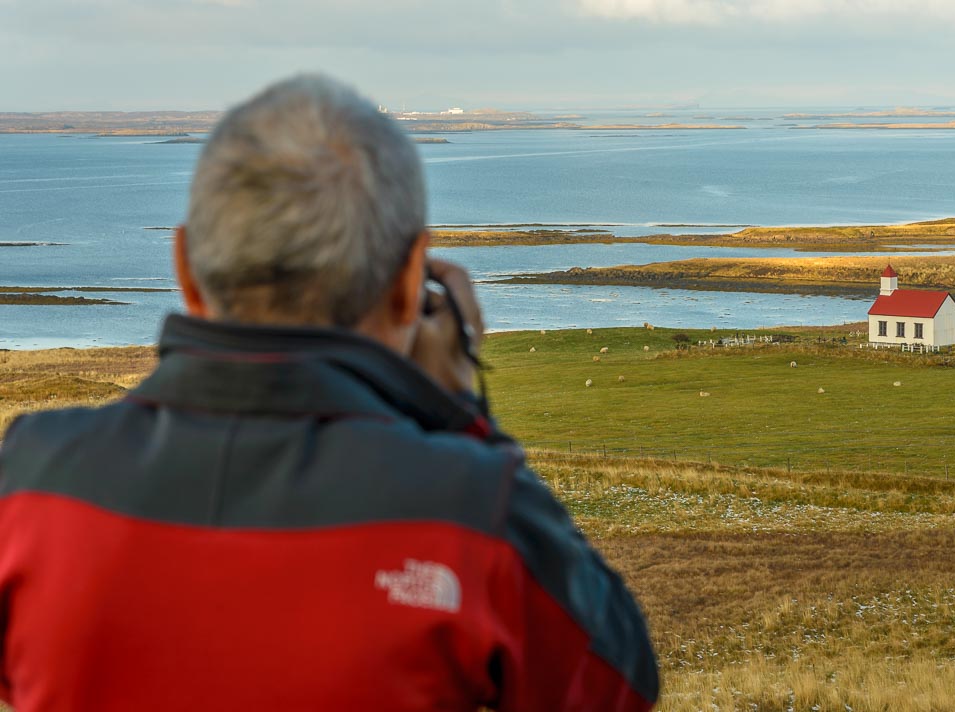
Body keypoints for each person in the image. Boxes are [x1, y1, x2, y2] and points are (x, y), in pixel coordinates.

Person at [0, 75, 658, 711]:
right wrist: (458, 412)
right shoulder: (472, 509)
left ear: (185, 270)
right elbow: (618, 686)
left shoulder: (28, 482)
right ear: (408, 282)